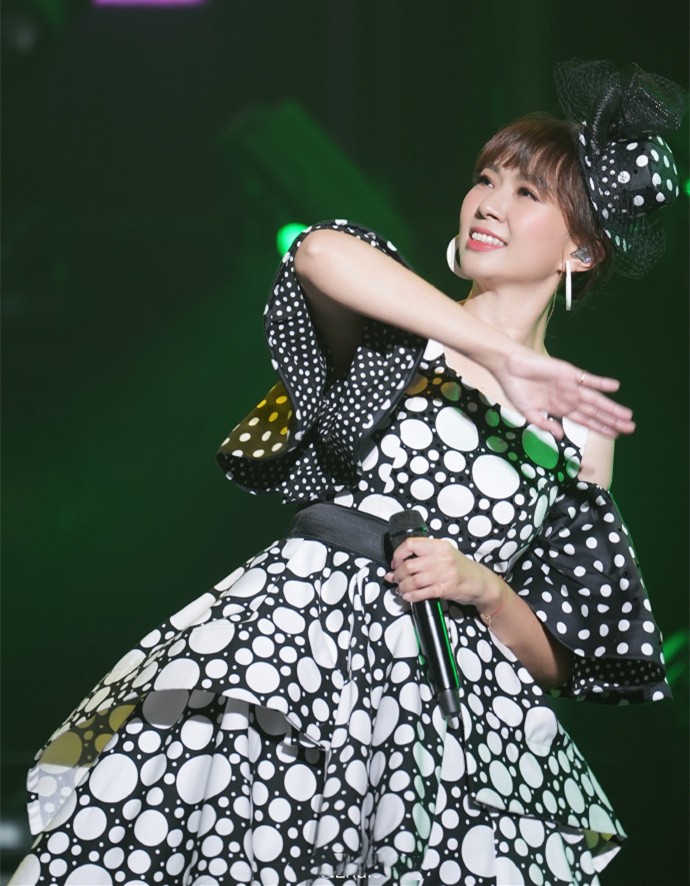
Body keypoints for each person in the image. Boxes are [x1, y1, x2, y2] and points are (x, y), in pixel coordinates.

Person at [10, 60, 687, 886]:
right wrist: (501, 354)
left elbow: (560, 659)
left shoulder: (582, 431)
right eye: (485, 179)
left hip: (439, 712)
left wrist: (482, 587)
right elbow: (318, 250)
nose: (488, 203)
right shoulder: (397, 332)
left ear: (582, 247)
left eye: (526, 192)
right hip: (291, 652)